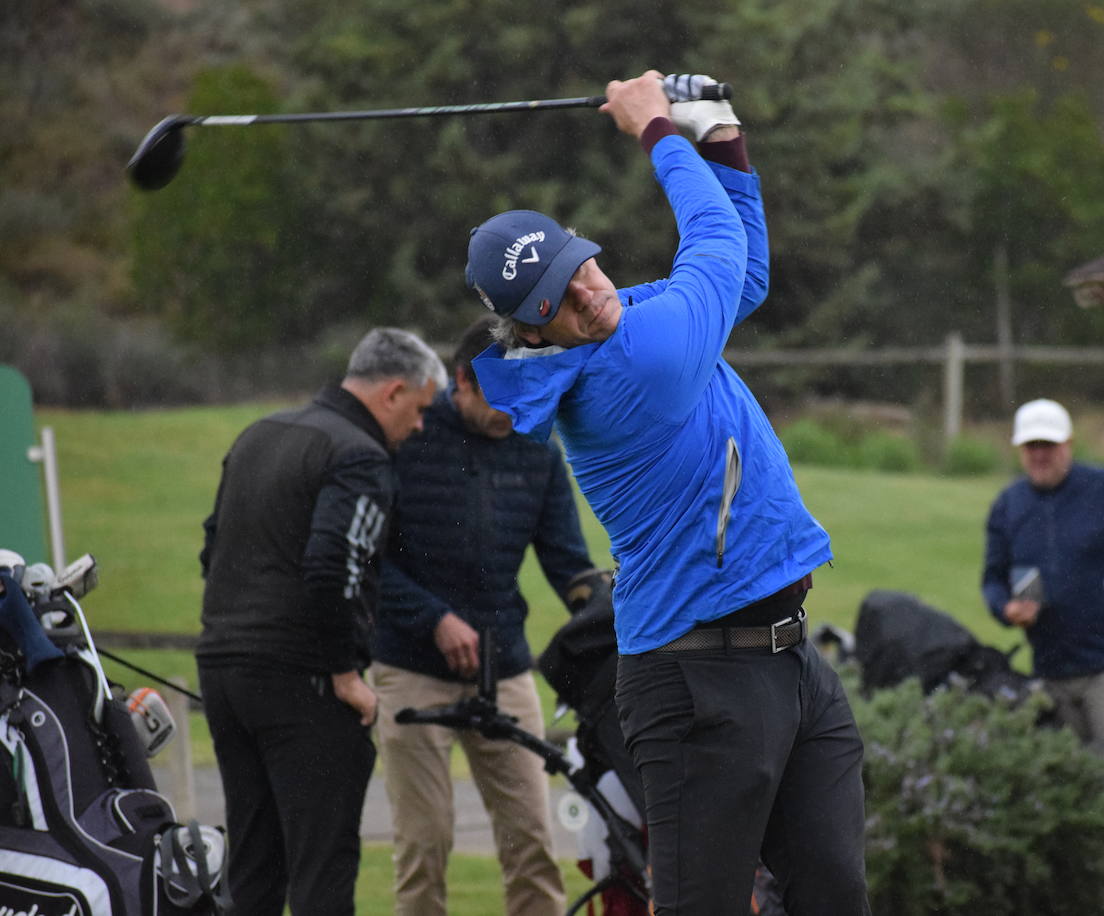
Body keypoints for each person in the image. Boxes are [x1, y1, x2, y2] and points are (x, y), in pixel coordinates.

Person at [466, 71, 870, 916]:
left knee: (833, 892)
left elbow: (743, 277)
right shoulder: (633, 366)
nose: (589, 293)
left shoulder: (627, 318)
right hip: (696, 683)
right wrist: (657, 132)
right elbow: (714, 255)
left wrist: (720, 131)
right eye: (561, 302)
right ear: (532, 333)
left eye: (582, 268)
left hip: (789, 660)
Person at [196, 327, 447, 916]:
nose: (418, 427)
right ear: (392, 392)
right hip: (303, 681)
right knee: (322, 867)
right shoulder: (359, 455)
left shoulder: (261, 433)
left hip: (224, 670)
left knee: (254, 867)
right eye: (418, 409)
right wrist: (343, 672)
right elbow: (338, 562)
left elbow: (214, 548)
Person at [371, 314, 599, 916]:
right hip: (409, 666)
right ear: (462, 381)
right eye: (503, 396)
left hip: (506, 667)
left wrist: (602, 609)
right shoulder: (405, 437)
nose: (515, 411)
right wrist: (434, 619)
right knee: (425, 844)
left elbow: (568, 562)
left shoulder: (537, 446)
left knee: (532, 842)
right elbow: (365, 562)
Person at [980, 397, 1104, 840]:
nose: (1040, 454)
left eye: (1048, 444)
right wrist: (1006, 610)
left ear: (1068, 443)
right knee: (1069, 794)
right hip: (1051, 671)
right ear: (1019, 450)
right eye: (1031, 446)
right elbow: (992, 579)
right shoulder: (1009, 505)